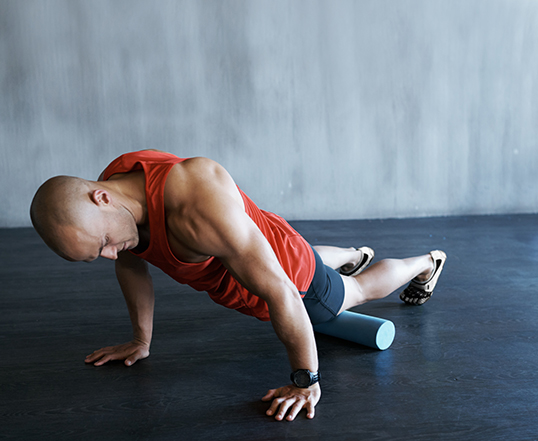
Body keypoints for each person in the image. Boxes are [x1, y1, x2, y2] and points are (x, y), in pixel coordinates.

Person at [29, 149, 446, 422]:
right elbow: (132, 265)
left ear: (100, 199)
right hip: (266, 245)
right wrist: (141, 339)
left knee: (355, 293)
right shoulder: (115, 188)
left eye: (102, 244)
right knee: (307, 258)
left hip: (291, 280)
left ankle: (425, 262)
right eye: (95, 254)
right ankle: (352, 253)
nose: (109, 255)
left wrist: (305, 380)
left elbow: (281, 290)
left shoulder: (196, 209)